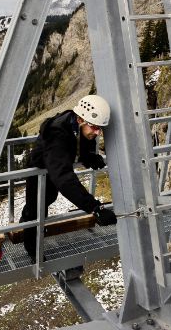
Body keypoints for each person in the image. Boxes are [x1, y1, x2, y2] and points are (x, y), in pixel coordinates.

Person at [19, 94, 117, 257]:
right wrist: (94, 207)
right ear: (80, 119)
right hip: (39, 169)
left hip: (55, 164)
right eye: (94, 127)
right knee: (35, 209)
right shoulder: (58, 133)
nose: (97, 132)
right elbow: (64, 178)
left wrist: (88, 156)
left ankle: (31, 225)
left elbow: (85, 137)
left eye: (100, 128)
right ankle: (32, 250)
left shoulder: (78, 123)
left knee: (49, 197)